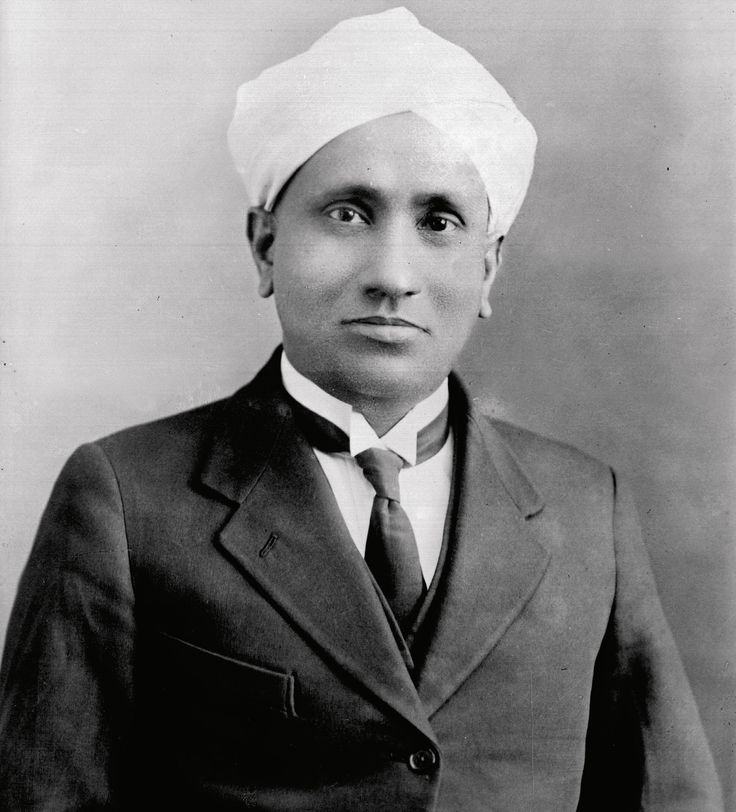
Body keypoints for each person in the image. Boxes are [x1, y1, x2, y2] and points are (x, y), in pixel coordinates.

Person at [0, 7, 723, 810]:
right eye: (348, 213)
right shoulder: (129, 498)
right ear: (265, 244)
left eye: (438, 222)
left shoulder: (587, 506)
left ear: (488, 270)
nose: (392, 273)